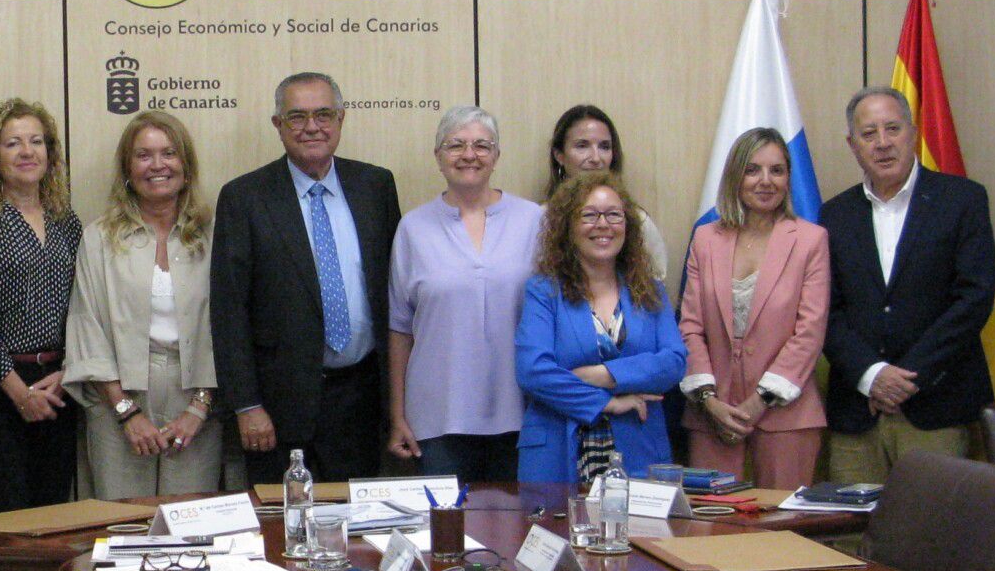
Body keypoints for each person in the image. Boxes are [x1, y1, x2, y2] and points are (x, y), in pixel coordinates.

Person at [213, 72, 400, 484]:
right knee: (280, 519)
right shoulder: (244, 198)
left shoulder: (376, 186)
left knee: (352, 519)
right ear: (278, 124)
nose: (312, 127)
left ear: (341, 119)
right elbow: (229, 312)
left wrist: (398, 405)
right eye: (297, 117)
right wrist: (246, 405)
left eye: (323, 115)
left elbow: (392, 296)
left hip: (361, 401)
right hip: (277, 409)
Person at [820, 87, 995, 483]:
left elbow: (974, 298)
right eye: (868, 133)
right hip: (858, 411)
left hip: (937, 406)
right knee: (847, 521)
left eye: (892, 129)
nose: (882, 143)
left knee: (932, 519)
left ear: (912, 133)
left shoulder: (963, 200)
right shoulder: (834, 215)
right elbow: (825, 310)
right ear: (852, 144)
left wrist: (907, 378)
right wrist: (871, 375)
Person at [64, 111, 221, 500]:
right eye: (143, 155)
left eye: (169, 153)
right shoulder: (100, 238)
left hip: (197, 395)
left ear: (186, 164)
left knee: (189, 521)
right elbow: (87, 327)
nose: (157, 165)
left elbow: (230, 326)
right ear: (127, 168)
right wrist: (126, 413)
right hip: (117, 398)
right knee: (123, 521)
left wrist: (199, 407)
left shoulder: (215, 235)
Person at [386, 106, 543, 482]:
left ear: (497, 155)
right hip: (438, 418)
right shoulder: (413, 228)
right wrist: (398, 415)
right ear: (438, 156)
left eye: (481, 145)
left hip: (521, 412)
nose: (469, 155)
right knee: (446, 519)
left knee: (518, 518)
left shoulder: (534, 220)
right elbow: (399, 329)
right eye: (455, 145)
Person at [676, 128, 830, 491]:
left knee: (782, 522)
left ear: (788, 178)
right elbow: (690, 326)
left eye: (777, 170)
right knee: (712, 521)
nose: (765, 181)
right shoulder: (705, 239)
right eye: (752, 170)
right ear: (735, 176)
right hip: (712, 415)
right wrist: (708, 400)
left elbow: (809, 332)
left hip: (787, 416)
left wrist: (758, 403)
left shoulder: (811, 239)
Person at [0, 98, 83, 513]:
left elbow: (84, 311)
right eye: (13, 143)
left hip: (58, 385)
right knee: (6, 517)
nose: (27, 152)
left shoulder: (67, 222)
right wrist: (19, 392)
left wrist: (68, 373)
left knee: (53, 513)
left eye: (36, 141)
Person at [514, 172, 685, 485]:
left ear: (628, 225)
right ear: (567, 226)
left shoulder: (651, 291)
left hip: (640, 447)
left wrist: (604, 375)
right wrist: (607, 402)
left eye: (613, 215)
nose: (603, 224)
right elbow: (533, 371)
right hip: (558, 451)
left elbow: (674, 362)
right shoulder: (543, 291)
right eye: (589, 215)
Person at [546, 104, 668, 281]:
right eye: (582, 146)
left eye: (604, 147)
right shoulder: (540, 220)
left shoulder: (637, 221)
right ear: (559, 155)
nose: (596, 158)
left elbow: (655, 285)